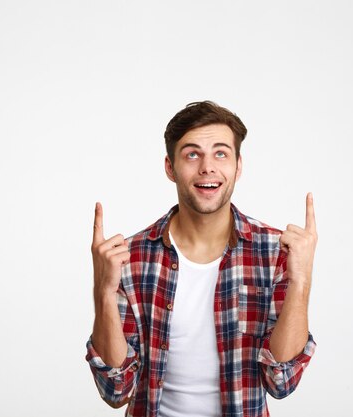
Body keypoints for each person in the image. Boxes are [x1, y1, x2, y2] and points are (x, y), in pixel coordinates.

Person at [86, 101, 317, 417]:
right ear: (170, 167)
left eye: (221, 153)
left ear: (238, 166)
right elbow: (116, 390)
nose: (207, 166)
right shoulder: (131, 257)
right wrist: (103, 292)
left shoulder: (274, 252)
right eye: (192, 154)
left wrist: (301, 281)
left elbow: (281, 381)